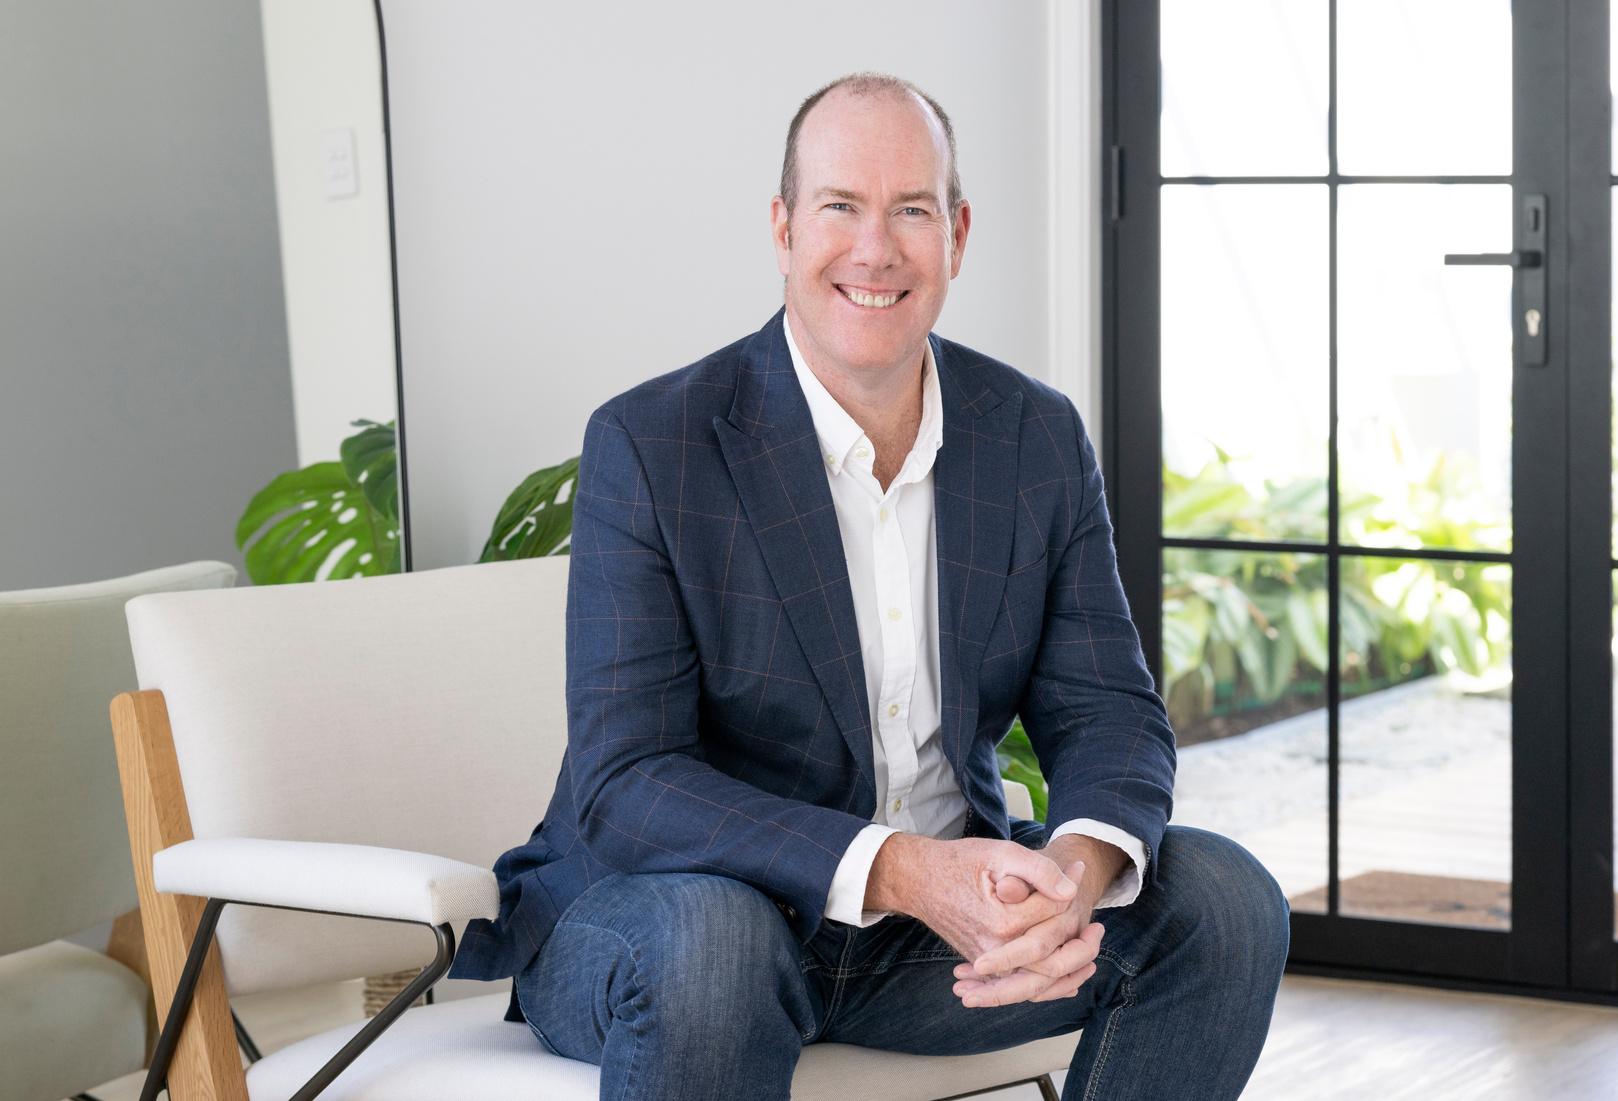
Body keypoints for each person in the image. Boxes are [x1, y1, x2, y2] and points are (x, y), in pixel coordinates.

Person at [449, 71, 1290, 1100]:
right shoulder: (654, 443)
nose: (875, 249)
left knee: (1223, 905)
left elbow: (1106, 709)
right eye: (840, 206)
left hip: (926, 947)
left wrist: (1069, 882)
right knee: (716, 944)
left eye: (911, 211)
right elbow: (628, 780)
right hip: (663, 921)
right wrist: (902, 870)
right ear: (783, 228)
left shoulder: (1032, 435)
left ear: (957, 234)